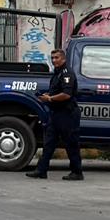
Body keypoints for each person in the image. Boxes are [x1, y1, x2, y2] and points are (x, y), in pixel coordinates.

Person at [27, 49, 83, 181]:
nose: (54, 60)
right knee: (49, 143)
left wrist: (50, 99)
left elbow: (66, 94)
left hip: (67, 114)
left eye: (56, 58)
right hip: (56, 114)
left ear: (63, 59)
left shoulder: (66, 73)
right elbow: (56, 91)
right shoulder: (57, 74)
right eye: (52, 58)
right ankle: (41, 170)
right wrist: (47, 96)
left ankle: (77, 172)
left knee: (71, 143)